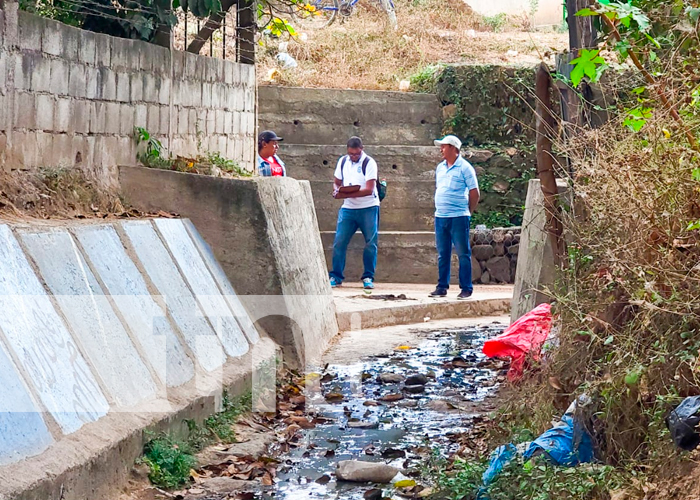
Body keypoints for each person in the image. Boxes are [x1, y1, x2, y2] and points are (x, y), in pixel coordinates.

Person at [430, 134, 479, 300]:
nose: (441, 150)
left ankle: (466, 288)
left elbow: (474, 192)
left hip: (458, 216)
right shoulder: (440, 167)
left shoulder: (465, 168)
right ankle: (441, 286)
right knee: (443, 253)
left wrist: (468, 211)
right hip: (441, 216)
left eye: (443, 146)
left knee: (462, 252)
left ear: (453, 148)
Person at [328, 136, 380, 291]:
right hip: (349, 208)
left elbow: (369, 189)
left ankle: (368, 276)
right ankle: (336, 276)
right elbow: (337, 181)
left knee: (371, 243)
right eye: (351, 154)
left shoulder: (369, 163)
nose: (354, 157)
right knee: (339, 242)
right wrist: (337, 190)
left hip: (368, 207)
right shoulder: (343, 161)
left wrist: (346, 194)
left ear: (361, 149)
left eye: (356, 154)